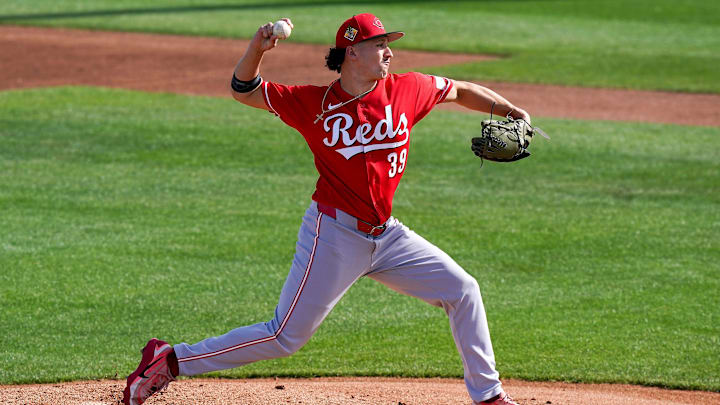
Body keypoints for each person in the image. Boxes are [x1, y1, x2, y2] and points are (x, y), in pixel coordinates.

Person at [123, 13, 531, 405]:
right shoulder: (312, 104)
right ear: (351, 52)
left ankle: (489, 395)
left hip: (387, 235)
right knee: (284, 337)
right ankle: (170, 359)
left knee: (462, 290)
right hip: (334, 235)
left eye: (388, 44)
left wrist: (510, 111)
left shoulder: (408, 89)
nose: (389, 52)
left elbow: (458, 89)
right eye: (379, 44)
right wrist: (257, 49)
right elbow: (243, 89)